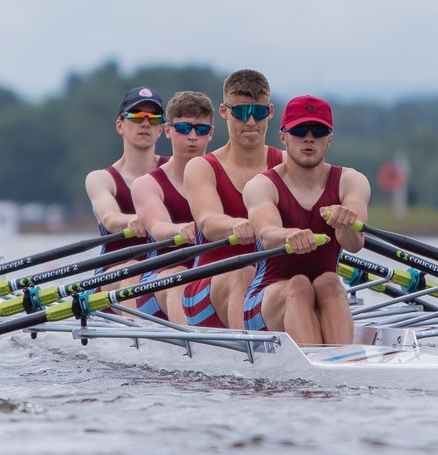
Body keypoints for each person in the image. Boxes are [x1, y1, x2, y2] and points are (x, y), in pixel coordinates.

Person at [242, 95, 370, 345]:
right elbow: (267, 235)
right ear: (283, 137)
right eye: (299, 130)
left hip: (323, 295)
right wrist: (289, 235)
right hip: (265, 303)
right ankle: (323, 372)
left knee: (330, 281)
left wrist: (345, 224)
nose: (309, 137)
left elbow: (354, 244)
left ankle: (340, 367)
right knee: (299, 285)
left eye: (319, 131)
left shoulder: (352, 181)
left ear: (329, 138)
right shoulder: (261, 185)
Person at [181, 69, 283, 328]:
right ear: (225, 112)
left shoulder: (286, 164)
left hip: (268, 282)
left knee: (319, 283)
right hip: (208, 289)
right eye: (240, 112)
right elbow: (208, 221)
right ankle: (253, 359)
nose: (250, 121)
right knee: (242, 275)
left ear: (270, 113)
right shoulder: (202, 167)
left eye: (258, 112)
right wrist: (235, 225)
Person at [130, 91, 215, 321]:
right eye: (184, 128)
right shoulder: (147, 184)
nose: (193, 136)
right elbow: (158, 228)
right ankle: (191, 349)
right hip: (159, 282)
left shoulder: (223, 176)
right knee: (180, 275)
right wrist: (180, 230)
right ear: (168, 130)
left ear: (211, 135)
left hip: (208, 275)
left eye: (201, 129)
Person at [84, 87, 169, 263]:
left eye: (153, 118)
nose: (146, 123)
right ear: (119, 125)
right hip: (118, 273)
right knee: (131, 270)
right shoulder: (101, 179)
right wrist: (134, 220)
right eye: (137, 116)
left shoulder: (176, 169)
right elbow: (110, 219)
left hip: (167, 272)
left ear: (160, 130)